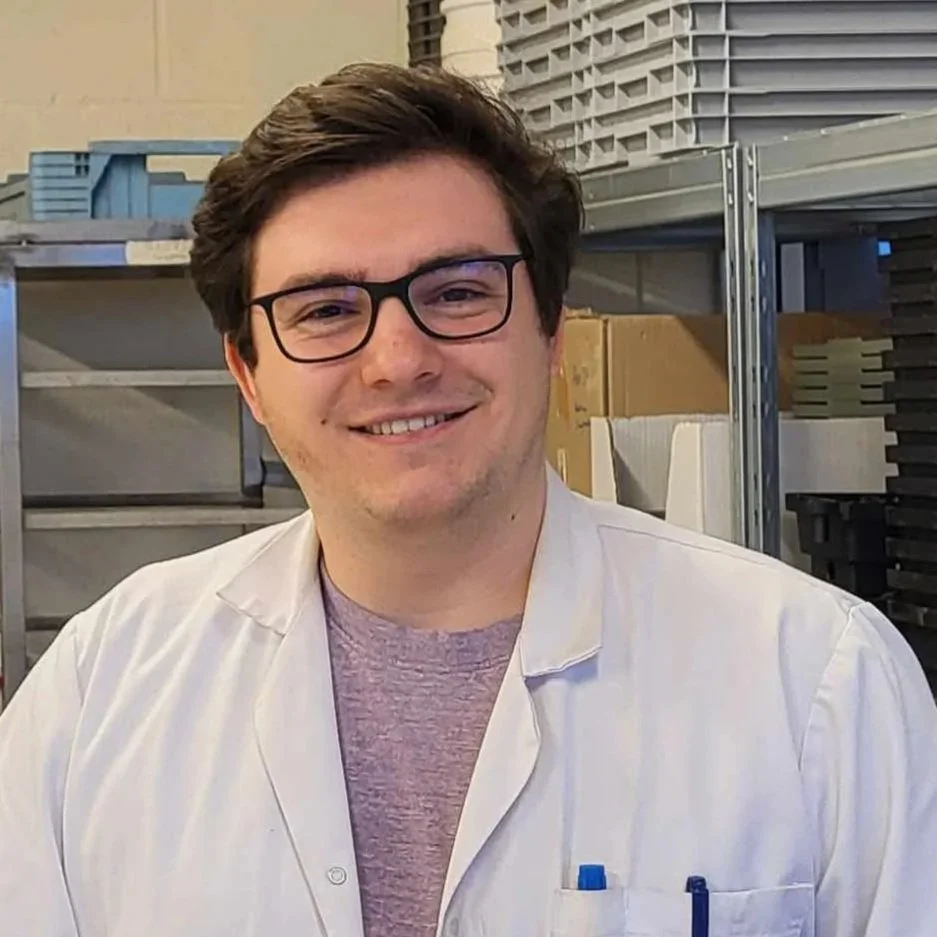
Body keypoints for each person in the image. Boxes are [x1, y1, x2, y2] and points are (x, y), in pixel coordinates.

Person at [1, 62, 936, 937]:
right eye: (324, 310)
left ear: (550, 330)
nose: (398, 360)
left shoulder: (817, 681)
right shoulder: (101, 693)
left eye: (455, 292)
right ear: (247, 374)